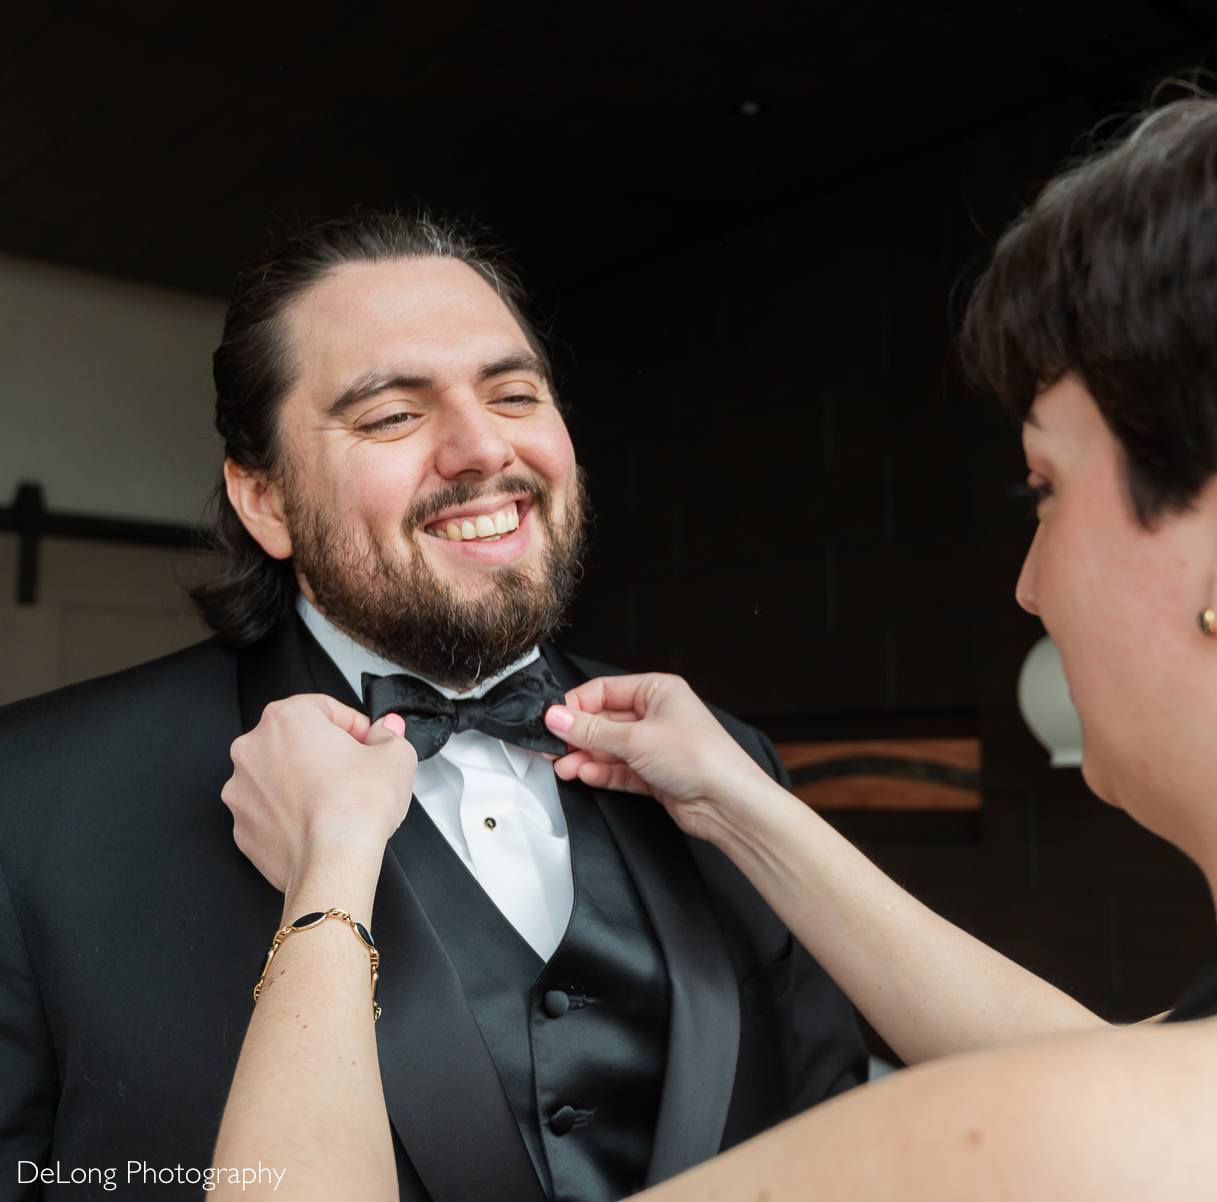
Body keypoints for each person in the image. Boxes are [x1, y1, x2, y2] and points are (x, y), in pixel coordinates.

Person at [219, 23, 1217, 1201]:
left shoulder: (1072, 1155)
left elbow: (1114, 1114)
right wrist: (753, 811)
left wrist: (334, 869)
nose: (1029, 578)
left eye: (1048, 490)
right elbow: (1125, 1068)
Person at [0, 215, 867, 1202]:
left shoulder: (727, 764)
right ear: (265, 500)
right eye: (392, 416)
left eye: (513, 393)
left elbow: (834, 1121)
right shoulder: (31, 804)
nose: (482, 447)